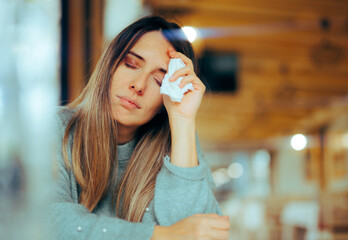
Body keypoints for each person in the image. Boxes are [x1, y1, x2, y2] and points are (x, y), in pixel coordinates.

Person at [49, 16, 230, 240]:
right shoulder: (56, 129)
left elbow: (196, 231)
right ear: (109, 65)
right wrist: (161, 235)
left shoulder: (176, 149)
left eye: (159, 81)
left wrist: (182, 119)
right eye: (131, 64)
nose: (139, 85)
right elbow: (47, 219)